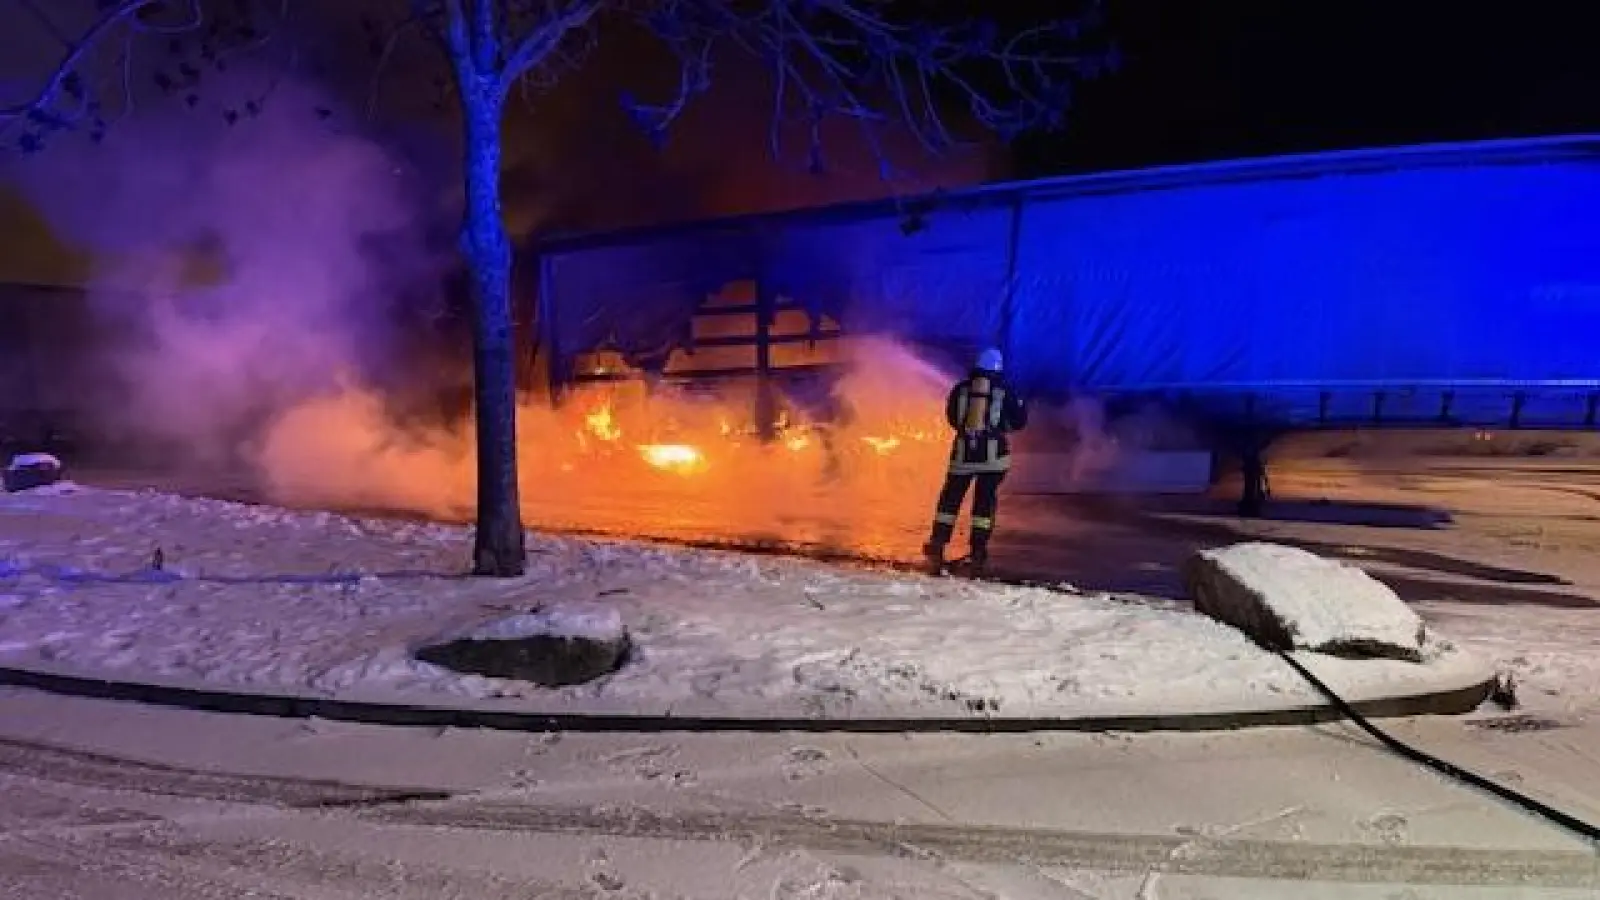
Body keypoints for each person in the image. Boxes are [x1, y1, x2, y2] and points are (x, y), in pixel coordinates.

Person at [923, 347, 1028, 573]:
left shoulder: (960, 390)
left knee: (949, 502)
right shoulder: (1005, 391)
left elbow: (952, 418)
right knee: (984, 503)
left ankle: (937, 543)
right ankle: (978, 550)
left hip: (962, 456)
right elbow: (1019, 422)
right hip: (993, 461)